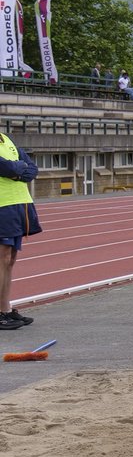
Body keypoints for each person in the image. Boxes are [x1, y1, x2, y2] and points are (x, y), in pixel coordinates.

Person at [0, 132, 42, 330]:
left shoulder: (6, 139)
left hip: (18, 204)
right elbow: (6, 166)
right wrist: (18, 169)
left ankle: (5, 309)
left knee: (10, 260)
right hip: (2, 206)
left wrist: (19, 169)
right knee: (2, 258)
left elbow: (31, 168)